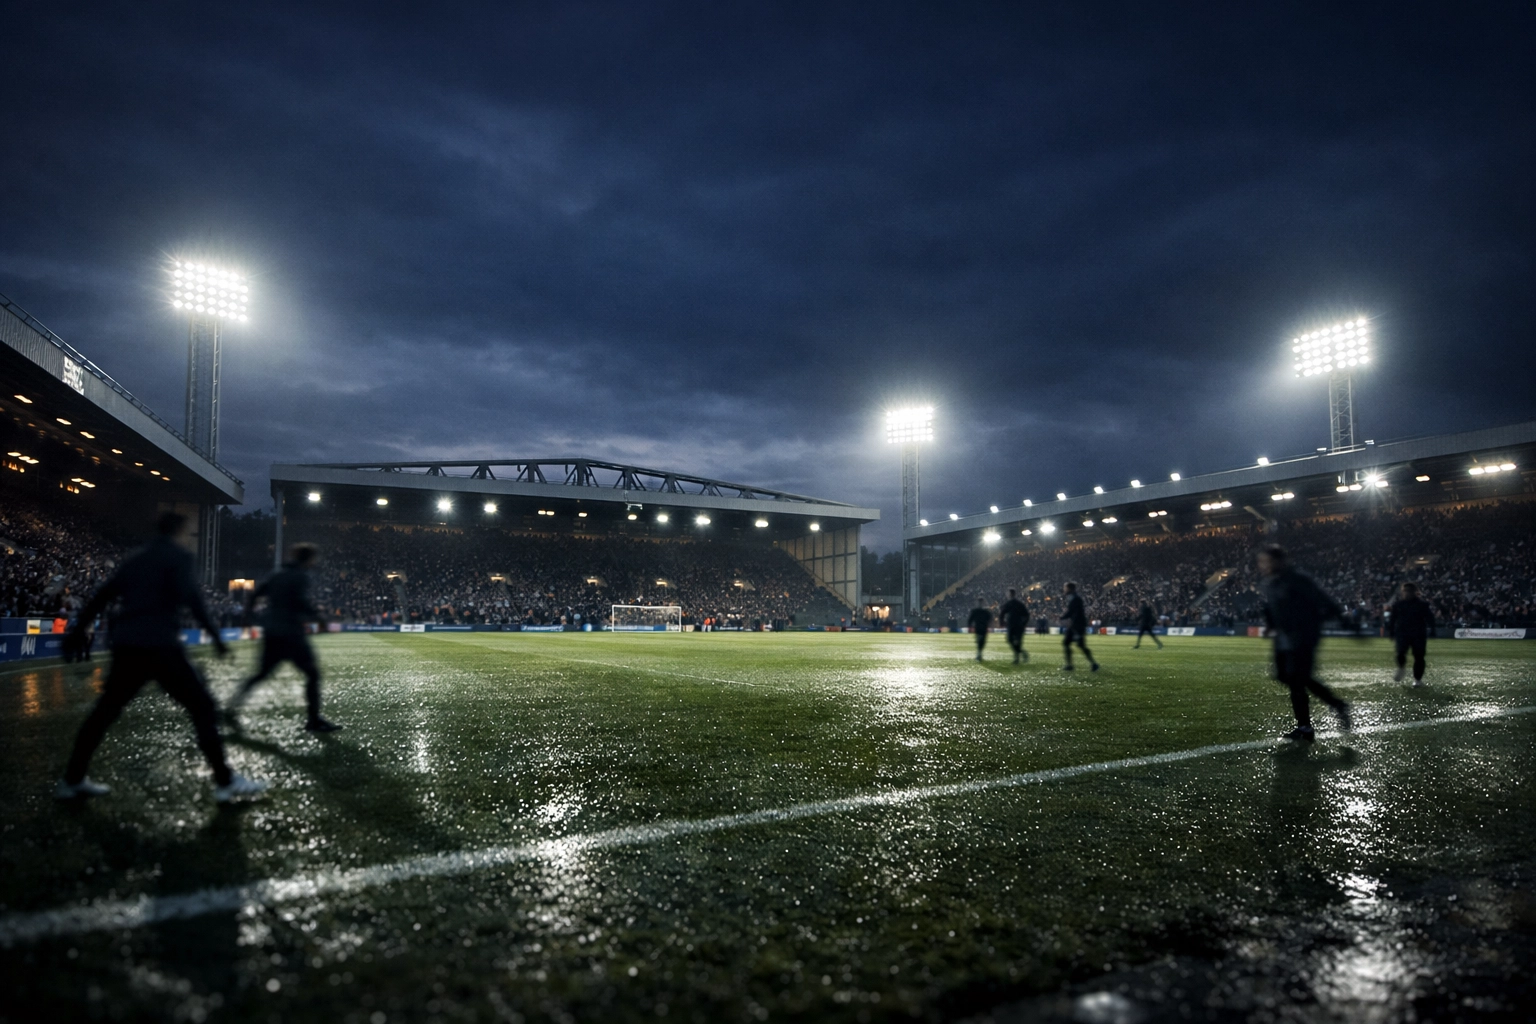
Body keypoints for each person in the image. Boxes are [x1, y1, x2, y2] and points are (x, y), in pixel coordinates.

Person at [55, 512, 268, 802]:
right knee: (202, 708)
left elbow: (103, 595)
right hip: (159, 644)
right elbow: (193, 600)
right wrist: (216, 637)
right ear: (180, 531)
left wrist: (78, 629)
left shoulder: (135, 558)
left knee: (104, 712)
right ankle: (225, 781)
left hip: (128, 644)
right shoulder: (178, 557)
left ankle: (72, 779)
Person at [228, 543, 339, 732]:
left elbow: (255, 595)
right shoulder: (301, 576)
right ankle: (313, 720)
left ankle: (231, 708)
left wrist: (249, 616)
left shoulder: (277, 574)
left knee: (261, 673)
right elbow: (299, 601)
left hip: (272, 631)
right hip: (290, 632)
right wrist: (319, 618)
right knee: (312, 674)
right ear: (309, 559)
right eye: (314, 559)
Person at [1258, 544, 1351, 742]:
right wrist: (1270, 624)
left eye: (1266, 561)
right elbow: (1273, 607)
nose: (1262, 565)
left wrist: (1345, 622)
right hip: (1283, 637)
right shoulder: (1271, 582)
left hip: (1303, 636)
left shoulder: (1298, 579)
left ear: (1278, 561)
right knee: (1287, 676)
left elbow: (1324, 601)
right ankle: (1336, 705)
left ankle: (1305, 727)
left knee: (1296, 680)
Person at [1388, 582, 1434, 685]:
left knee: (1419, 656)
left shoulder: (1422, 605)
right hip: (1402, 633)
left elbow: (1430, 618)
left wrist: (1433, 630)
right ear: (1402, 592)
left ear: (1414, 592)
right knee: (1400, 654)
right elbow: (1392, 619)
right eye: (1405, 591)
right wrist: (1391, 631)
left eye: (1409, 591)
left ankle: (1417, 679)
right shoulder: (1398, 605)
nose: (1407, 593)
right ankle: (1401, 668)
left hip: (1418, 634)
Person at [1059, 582, 1099, 672]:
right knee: (1066, 643)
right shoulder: (1073, 598)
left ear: (1070, 589)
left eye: (1065, 588)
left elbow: (1073, 612)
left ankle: (1093, 664)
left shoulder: (1075, 599)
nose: (1064, 590)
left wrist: (1063, 617)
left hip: (1078, 626)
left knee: (1081, 645)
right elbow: (1071, 612)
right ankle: (1069, 665)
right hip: (1075, 625)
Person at [999, 588, 1031, 664]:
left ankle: (1017, 658)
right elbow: (1027, 615)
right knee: (1016, 641)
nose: (1007, 595)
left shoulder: (1010, 604)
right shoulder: (1019, 604)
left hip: (1012, 625)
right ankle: (1021, 653)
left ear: (1010, 594)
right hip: (1018, 625)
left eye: (1008, 593)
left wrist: (1002, 622)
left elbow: (1002, 613)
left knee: (1011, 640)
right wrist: (1024, 624)